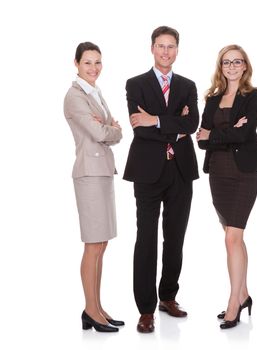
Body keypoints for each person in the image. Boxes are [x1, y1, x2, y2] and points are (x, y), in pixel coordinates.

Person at [123, 26, 199, 333]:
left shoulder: (188, 85)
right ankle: (145, 309)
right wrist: (174, 124)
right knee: (146, 239)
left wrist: (155, 119)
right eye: (160, 46)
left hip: (180, 170)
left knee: (175, 236)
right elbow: (138, 129)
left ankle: (168, 296)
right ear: (152, 49)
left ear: (177, 50)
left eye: (171, 47)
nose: (165, 51)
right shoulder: (136, 84)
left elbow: (192, 123)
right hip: (147, 171)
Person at [197, 45, 257, 329]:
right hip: (217, 173)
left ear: (244, 66)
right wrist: (227, 132)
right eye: (226, 62)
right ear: (221, 67)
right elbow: (201, 139)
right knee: (234, 238)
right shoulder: (212, 98)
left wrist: (216, 134)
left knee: (232, 238)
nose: (231, 66)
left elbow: (245, 134)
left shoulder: (253, 96)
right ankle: (243, 295)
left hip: (243, 173)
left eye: (236, 61)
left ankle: (233, 303)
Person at [64, 42, 124, 332]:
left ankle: (97, 307)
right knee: (92, 245)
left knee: (101, 244)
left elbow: (109, 130)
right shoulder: (75, 96)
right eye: (88, 62)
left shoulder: (94, 92)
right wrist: (113, 129)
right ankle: (90, 310)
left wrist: (111, 129)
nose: (94, 68)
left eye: (98, 62)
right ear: (76, 63)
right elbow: (102, 131)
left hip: (102, 173)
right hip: (89, 173)